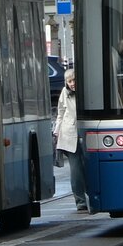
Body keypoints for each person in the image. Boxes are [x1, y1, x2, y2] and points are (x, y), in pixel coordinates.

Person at [53, 67, 87, 211]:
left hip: (85, 133)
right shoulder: (64, 93)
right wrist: (57, 131)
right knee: (76, 169)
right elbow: (60, 113)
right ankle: (80, 201)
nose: (72, 83)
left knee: (87, 167)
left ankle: (91, 195)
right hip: (69, 134)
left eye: (74, 80)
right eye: (69, 81)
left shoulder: (86, 91)